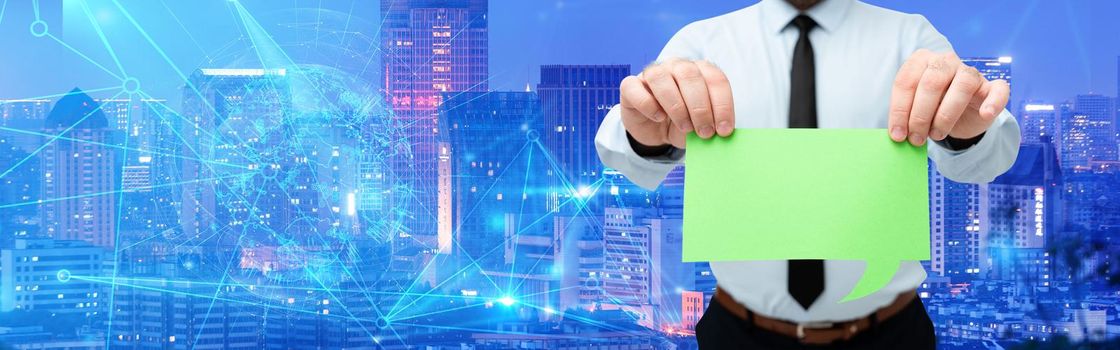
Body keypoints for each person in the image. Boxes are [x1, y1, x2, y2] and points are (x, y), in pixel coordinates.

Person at [594, 0, 1021, 348]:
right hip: (738, 334)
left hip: (891, 332)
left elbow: (987, 161)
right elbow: (622, 149)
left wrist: (968, 131)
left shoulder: (909, 36)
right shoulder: (703, 42)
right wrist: (647, 135)